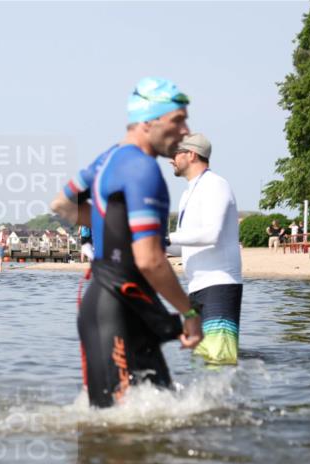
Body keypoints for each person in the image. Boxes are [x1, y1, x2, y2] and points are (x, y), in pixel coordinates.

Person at [50, 76, 203, 408]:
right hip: (116, 308)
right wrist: (188, 311)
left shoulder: (107, 160)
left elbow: (61, 204)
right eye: (177, 119)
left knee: (154, 418)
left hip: (121, 305)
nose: (184, 130)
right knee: (116, 435)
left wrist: (109, 220)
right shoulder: (141, 169)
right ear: (148, 121)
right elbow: (150, 261)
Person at [167, 133, 243, 365]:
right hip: (196, 288)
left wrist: (165, 238)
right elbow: (186, 246)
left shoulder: (215, 185)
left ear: (191, 155)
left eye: (176, 153)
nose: (171, 159)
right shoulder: (187, 194)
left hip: (219, 284)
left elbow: (211, 234)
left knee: (219, 362)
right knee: (202, 365)